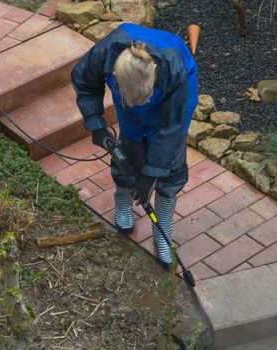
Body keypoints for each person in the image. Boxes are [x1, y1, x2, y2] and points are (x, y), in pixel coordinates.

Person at [71, 23, 199, 268]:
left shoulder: (175, 70)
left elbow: (172, 128)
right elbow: (84, 80)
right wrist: (96, 123)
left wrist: (151, 174)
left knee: (170, 172)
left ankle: (162, 234)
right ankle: (123, 201)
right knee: (127, 156)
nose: (142, 102)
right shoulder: (105, 53)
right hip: (130, 115)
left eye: (145, 97)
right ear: (117, 79)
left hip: (171, 112)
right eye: (135, 98)